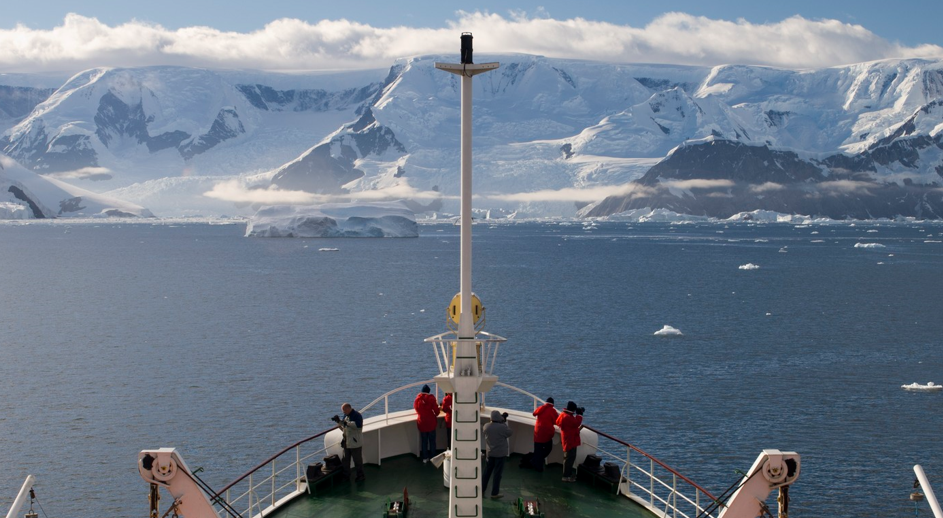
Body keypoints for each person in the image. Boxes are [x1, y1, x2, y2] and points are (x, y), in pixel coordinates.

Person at [483, 410, 513, 499]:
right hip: (500, 454)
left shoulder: (486, 427)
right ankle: (494, 493)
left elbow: (489, 428)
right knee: (497, 474)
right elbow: (510, 432)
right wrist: (503, 422)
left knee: (486, 473)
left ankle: (481, 490)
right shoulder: (503, 427)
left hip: (490, 453)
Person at [332, 402, 365, 482]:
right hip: (346, 442)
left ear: (348, 408)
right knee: (345, 460)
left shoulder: (357, 415)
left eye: (344, 410)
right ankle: (346, 476)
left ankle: (360, 476)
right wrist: (338, 421)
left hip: (355, 442)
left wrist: (347, 423)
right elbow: (344, 425)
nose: (343, 412)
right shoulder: (346, 416)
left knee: (357, 461)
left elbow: (358, 426)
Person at [555, 401, 584, 482]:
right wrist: (580, 415)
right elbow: (576, 423)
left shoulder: (562, 415)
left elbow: (558, 422)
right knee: (569, 459)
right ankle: (566, 476)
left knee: (568, 458)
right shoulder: (568, 417)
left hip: (567, 439)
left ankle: (568, 475)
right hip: (570, 440)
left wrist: (577, 414)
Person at [414, 384, 440, 463]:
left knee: (424, 441)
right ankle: (433, 457)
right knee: (432, 441)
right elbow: (436, 411)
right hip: (431, 423)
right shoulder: (431, 398)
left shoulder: (418, 399)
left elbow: (416, 409)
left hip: (422, 423)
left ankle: (425, 458)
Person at [530, 397, 558, 471]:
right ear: (553, 404)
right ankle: (537, 463)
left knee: (537, 450)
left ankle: (536, 462)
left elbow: (534, 413)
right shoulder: (553, 411)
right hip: (547, 434)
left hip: (538, 432)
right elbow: (556, 421)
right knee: (548, 449)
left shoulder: (541, 408)